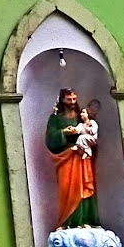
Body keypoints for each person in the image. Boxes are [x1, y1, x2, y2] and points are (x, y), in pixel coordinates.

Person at [45, 88, 98, 230]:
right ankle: (67, 221)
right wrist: (63, 132)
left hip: (81, 155)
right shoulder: (55, 119)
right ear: (62, 100)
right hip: (65, 157)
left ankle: (84, 220)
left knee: (83, 186)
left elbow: (90, 131)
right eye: (69, 99)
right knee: (66, 188)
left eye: (74, 99)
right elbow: (50, 138)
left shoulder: (80, 117)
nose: (72, 102)